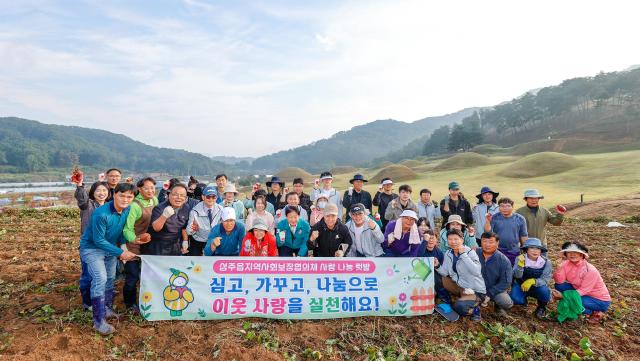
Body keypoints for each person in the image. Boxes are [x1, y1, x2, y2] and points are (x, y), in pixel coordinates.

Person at [79, 183, 137, 335]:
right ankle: (98, 321)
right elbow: (98, 240)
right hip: (92, 248)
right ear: (114, 194)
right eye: (122, 195)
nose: (125, 199)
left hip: (110, 247)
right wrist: (120, 253)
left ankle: (107, 308)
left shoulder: (127, 209)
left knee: (110, 277)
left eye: (129, 197)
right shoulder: (101, 214)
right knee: (100, 278)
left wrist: (123, 246)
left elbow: (121, 229)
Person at [121, 177, 157, 313]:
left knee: (148, 275)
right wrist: (135, 240)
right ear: (139, 189)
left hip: (149, 243)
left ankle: (147, 300)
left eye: (152, 188)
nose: (150, 191)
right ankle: (130, 304)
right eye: (146, 188)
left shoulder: (154, 200)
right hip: (134, 244)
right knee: (133, 275)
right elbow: (127, 229)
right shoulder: (134, 206)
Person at [73, 177, 109, 311]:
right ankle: (87, 303)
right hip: (89, 247)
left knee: (102, 276)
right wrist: (80, 185)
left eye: (104, 190)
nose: (101, 193)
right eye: (98, 190)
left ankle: (101, 300)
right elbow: (81, 200)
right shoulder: (88, 205)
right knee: (88, 275)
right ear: (92, 192)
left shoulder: (109, 207)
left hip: (105, 247)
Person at [553, 242, 611, 323]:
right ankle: (573, 305)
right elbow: (560, 281)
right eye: (569, 252)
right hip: (580, 291)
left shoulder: (590, 270)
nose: (572, 254)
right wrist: (559, 269)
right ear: (565, 254)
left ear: (581, 255)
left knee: (575, 301)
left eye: (576, 252)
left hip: (598, 300)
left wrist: (564, 296)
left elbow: (584, 290)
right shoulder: (565, 264)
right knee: (560, 286)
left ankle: (594, 312)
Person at [436, 228, 486, 321]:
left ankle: (475, 309)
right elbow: (445, 272)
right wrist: (437, 265)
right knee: (442, 279)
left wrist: (463, 254)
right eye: (450, 239)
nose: (453, 242)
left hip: (474, 289)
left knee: (459, 307)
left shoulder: (470, 252)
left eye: (456, 239)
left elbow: (476, 271)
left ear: (462, 240)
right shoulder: (448, 253)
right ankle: (451, 299)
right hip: (460, 286)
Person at [143, 183, 191, 256]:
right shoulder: (159, 208)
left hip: (176, 245)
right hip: (159, 245)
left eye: (182, 195)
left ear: (186, 198)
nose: (179, 197)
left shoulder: (186, 208)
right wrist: (164, 216)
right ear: (169, 195)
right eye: (175, 194)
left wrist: (185, 241)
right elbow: (156, 228)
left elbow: (184, 227)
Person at [511, 238, 552, 319]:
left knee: (545, 292)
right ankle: (523, 299)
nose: (535, 251)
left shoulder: (546, 262)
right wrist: (520, 265)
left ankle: (541, 307)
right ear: (526, 250)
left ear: (541, 251)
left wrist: (532, 281)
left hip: (537, 287)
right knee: (515, 299)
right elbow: (517, 276)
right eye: (532, 248)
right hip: (521, 285)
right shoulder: (520, 258)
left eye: (538, 248)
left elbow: (546, 279)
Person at [476, 232, 513, 317]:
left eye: (491, 242)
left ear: (497, 243)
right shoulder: (474, 253)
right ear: (480, 242)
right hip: (476, 287)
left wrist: (489, 293)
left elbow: (506, 282)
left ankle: (498, 307)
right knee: (466, 301)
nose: (487, 245)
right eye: (484, 241)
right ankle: (475, 307)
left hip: (494, 289)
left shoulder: (503, 260)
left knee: (505, 302)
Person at [484, 197, 528, 265]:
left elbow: (523, 235)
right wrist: (487, 221)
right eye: (502, 206)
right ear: (499, 207)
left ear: (512, 207)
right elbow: (487, 232)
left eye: (508, 206)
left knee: (513, 270)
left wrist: (525, 250)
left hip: (514, 250)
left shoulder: (520, 219)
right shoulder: (495, 217)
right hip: (498, 250)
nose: (505, 208)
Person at [186, 185, 223, 256]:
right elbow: (188, 231)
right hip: (198, 241)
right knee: (195, 264)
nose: (211, 199)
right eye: (208, 197)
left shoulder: (221, 209)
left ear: (216, 198)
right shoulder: (195, 211)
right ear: (203, 197)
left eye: (213, 197)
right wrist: (193, 229)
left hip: (214, 240)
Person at [417, 229, 449, 303]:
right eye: (428, 238)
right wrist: (424, 242)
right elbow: (418, 257)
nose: (430, 240)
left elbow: (441, 269)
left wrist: (436, 265)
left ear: (436, 240)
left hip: (435, 277)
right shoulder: (421, 248)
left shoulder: (439, 253)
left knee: (437, 276)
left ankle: (443, 298)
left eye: (432, 238)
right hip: (420, 275)